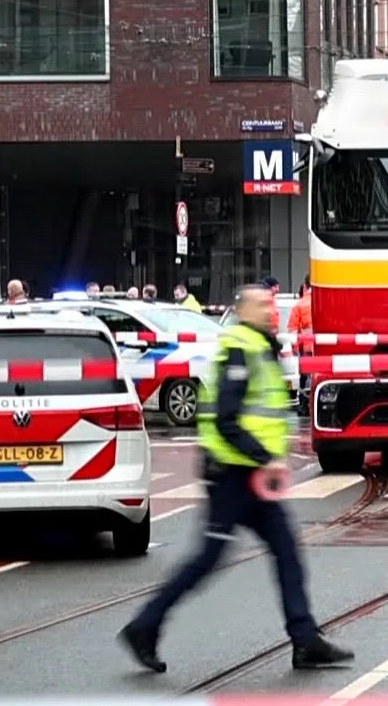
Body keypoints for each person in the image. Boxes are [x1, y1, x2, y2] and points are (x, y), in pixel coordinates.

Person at [120, 285, 354, 673]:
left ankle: (305, 639)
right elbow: (227, 419)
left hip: (253, 476)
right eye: (261, 305)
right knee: (207, 560)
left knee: (286, 551)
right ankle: (145, 625)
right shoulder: (239, 349)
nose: (269, 311)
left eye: (270, 305)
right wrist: (266, 459)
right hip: (230, 476)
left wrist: (267, 462)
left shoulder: (261, 346)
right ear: (244, 311)